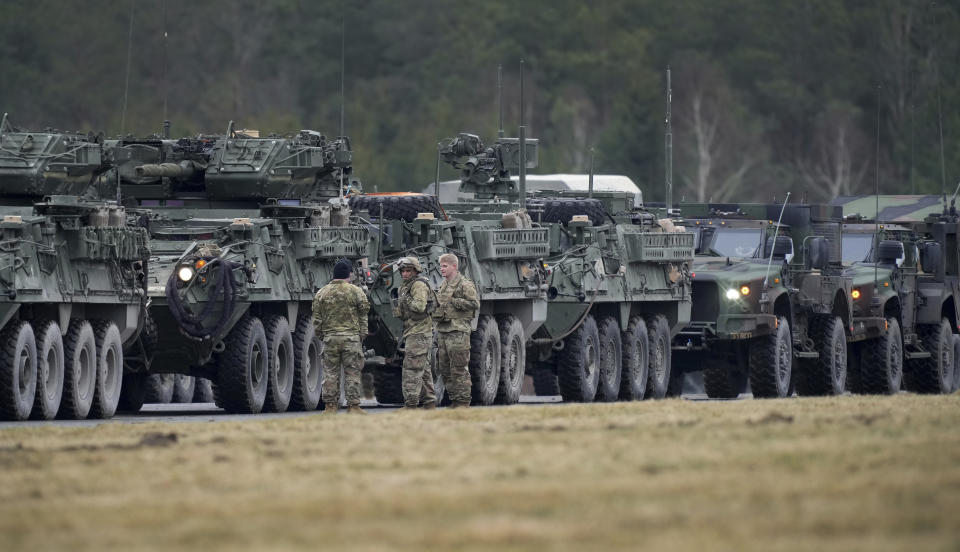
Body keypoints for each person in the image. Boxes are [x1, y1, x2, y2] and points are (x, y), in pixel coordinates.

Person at [312, 258, 369, 414]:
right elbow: (364, 315)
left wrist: (323, 336)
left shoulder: (321, 293)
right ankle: (353, 406)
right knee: (352, 373)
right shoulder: (356, 291)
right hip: (351, 338)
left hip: (330, 338)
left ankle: (330, 406)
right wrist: (362, 335)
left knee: (330, 373)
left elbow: (317, 319)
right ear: (349, 275)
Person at [433, 253, 479, 408]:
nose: (442, 269)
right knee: (444, 368)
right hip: (443, 329)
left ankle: (464, 402)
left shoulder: (464, 284)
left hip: (458, 331)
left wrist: (454, 302)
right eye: (441, 266)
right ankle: (455, 400)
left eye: (445, 266)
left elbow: (474, 303)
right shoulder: (444, 285)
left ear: (454, 266)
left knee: (459, 368)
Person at [392, 257, 437, 409]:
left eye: (408, 271)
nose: (405, 274)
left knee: (411, 368)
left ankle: (411, 405)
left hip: (419, 332)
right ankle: (429, 402)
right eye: (403, 271)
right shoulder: (406, 286)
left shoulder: (418, 285)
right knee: (423, 369)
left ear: (415, 271)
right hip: (414, 331)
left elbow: (419, 306)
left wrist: (407, 299)